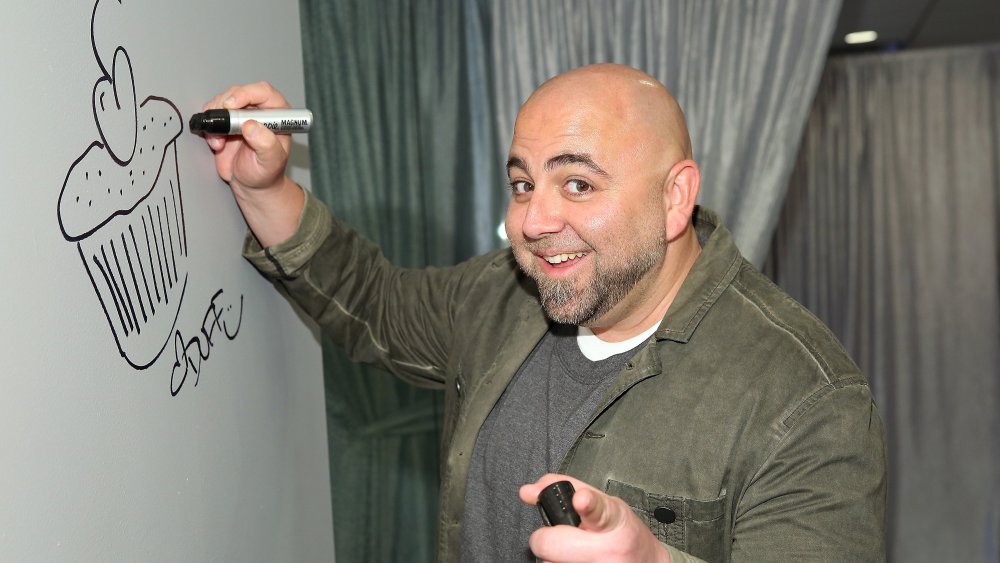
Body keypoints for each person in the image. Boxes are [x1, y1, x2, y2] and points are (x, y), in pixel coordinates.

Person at [200, 63, 886, 562]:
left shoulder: (806, 395)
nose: (533, 219)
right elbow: (373, 300)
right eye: (523, 183)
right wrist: (267, 188)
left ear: (676, 199)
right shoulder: (501, 294)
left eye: (578, 183)